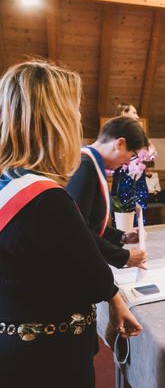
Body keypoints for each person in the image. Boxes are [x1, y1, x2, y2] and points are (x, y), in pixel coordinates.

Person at [0, 61, 141, 386]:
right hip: (47, 358)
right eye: (74, 109)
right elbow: (93, 277)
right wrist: (114, 296)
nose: (78, 118)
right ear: (56, 120)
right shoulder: (45, 199)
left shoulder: (8, 181)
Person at [66, 116, 148, 268]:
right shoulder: (85, 167)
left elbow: (92, 224)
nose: (127, 162)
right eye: (132, 155)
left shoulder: (94, 164)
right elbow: (78, 231)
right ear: (120, 144)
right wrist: (124, 257)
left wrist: (122, 237)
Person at [111, 103, 149, 223]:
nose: (137, 117)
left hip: (139, 179)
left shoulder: (138, 133)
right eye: (134, 112)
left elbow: (145, 151)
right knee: (122, 213)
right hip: (123, 177)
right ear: (123, 113)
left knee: (140, 211)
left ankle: (140, 237)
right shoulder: (114, 133)